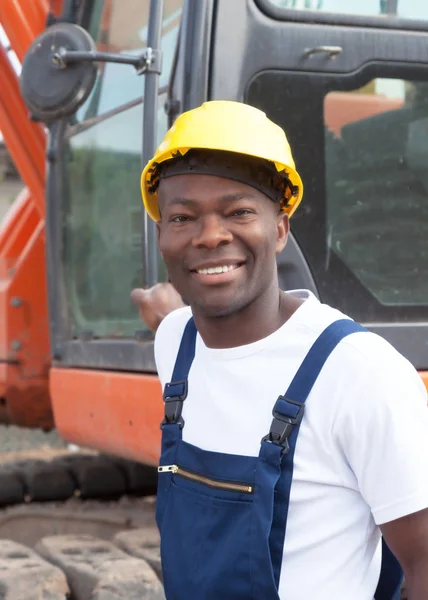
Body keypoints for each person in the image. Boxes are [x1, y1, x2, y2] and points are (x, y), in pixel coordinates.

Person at [131, 100, 428, 600]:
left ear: (281, 228)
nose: (210, 236)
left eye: (239, 212)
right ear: (162, 236)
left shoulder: (358, 372)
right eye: (183, 217)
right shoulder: (175, 344)